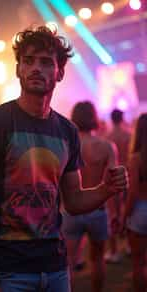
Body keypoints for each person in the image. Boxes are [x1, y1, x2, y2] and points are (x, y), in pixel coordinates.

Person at [0, 26, 128, 292]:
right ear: (18, 69)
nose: (35, 68)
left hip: (55, 267)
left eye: (45, 62)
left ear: (60, 72)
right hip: (9, 271)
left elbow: (73, 200)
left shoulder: (67, 131)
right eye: (28, 61)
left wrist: (106, 190)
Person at [62, 101, 118, 292]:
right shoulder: (107, 146)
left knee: (67, 262)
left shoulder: (66, 144)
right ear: (94, 118)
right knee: (98, 259)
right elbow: (113, 185)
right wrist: (115, 213)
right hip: (98, 209)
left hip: (70, 210)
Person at [123, 113, 147, 292]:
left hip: (140, 211)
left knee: (138, 263)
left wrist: (125, 216)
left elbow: (132, 192)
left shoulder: (136, 159)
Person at [105, 108, 131, 263]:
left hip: (114, 179)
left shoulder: (107, 136)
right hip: (129, 176)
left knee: (113, 214)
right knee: (128, 212)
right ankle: (129, 245)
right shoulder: (129, 135)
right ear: (122, 118)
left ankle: (114, 250)